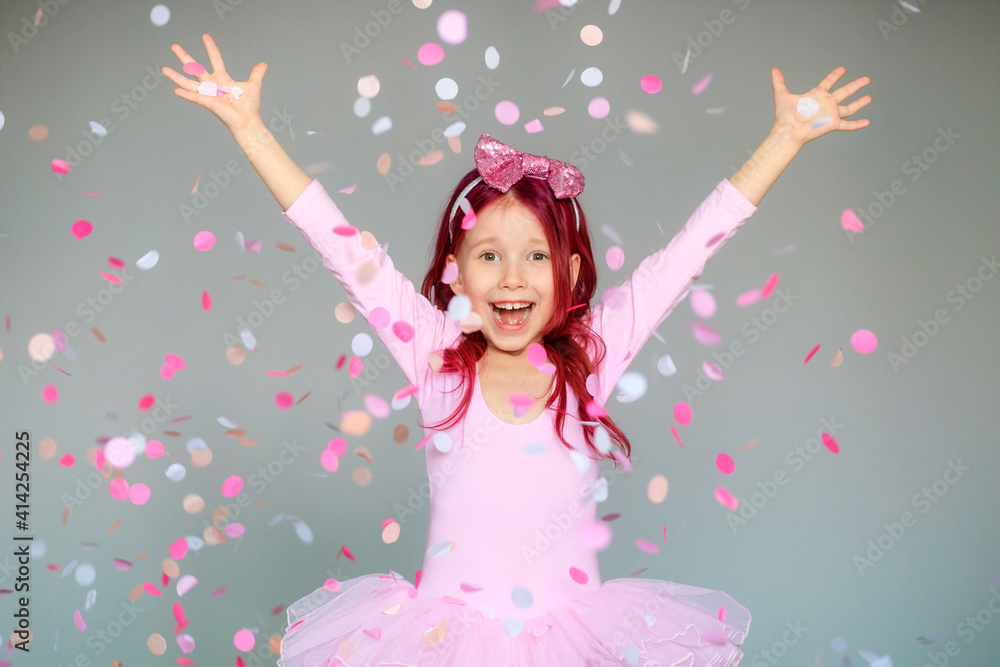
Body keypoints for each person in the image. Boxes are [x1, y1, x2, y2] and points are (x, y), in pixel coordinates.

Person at [163, 33, 870, 666]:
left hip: (573, 643)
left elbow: (686, 255)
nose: (511, 278)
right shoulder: (435, 354)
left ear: (570, 273)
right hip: (444, 646)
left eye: (536, 255)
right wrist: (251, 130)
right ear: (454, 271)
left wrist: (784, 139)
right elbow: (342, 248)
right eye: (489, 255)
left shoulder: (591, 356)